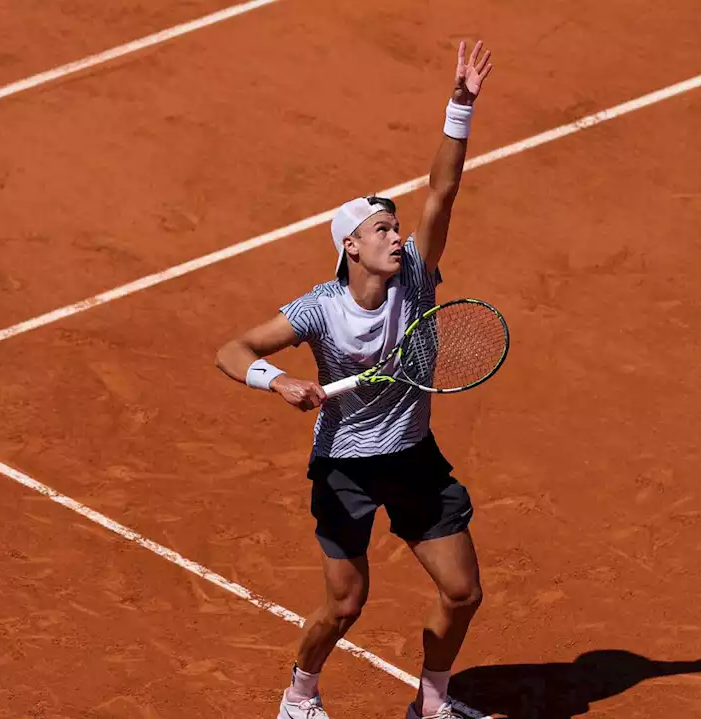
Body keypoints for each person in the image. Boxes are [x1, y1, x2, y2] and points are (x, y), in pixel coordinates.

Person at [215, 40, 495, 719]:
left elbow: (443, 188)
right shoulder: (319, 309)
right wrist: (276, 380)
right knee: (346, 601)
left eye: (397, 227)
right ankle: (298, 697)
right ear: (350, 245)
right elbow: (233, 347)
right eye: (382, 229)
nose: (397, 236)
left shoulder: (420, 279)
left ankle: (432, 706)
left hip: (412, 456)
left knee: (462, 590)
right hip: (345, 465)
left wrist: (459, 106)